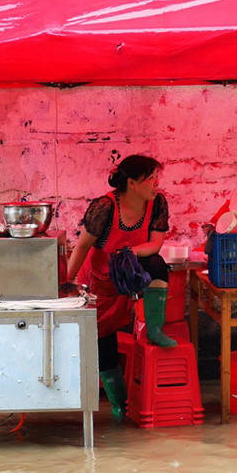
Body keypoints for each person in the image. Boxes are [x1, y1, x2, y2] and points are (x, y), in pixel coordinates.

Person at [66, 154, 177, 420]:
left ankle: (155, 329)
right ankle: (119, 405)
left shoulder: (157, 203)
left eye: (157, 178)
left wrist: (129, 253)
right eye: (151, 179)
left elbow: (155, 245)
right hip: (99, 282)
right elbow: (82, 247)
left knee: (157, 264)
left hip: (128, 274)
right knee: (103, 342)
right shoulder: (105, 207)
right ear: (132, 183)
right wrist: (66, 283)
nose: (156, 184)